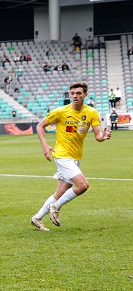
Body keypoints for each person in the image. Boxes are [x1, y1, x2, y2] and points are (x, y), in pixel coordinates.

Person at [30, 82, 110, 231]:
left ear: (85, 95)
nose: (75, 96)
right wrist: (44, 147)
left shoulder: (91, 113)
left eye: (78, 93)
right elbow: (40, 126)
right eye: (72, 93)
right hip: (62, 156)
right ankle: (56, 207)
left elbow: (98, 136)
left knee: (60, 192)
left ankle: (37, 218)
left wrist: (103, 136)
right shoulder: (60, 112)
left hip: (76, 158)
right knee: (83, 185)